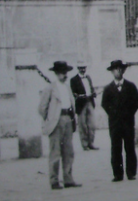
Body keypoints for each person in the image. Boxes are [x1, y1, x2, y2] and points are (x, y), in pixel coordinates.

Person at [38, 61, 82, 190]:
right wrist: (50, 119)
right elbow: (42, 108)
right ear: (56, 73)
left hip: (68, 119)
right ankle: (54, 181)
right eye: (63, 73)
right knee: (55, 152)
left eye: (66, 72)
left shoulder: (67, 87)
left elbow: (71, 104)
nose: (65, 75)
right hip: (56, 122)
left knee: (68, 152)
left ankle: (68, 179)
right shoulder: (50, 88)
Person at [101, 60, 138, 182]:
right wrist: (113, 114)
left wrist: (129, 113)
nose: (118, 71)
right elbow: (104, 104)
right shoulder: (108, 88)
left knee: (129, 147)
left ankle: (131, 172)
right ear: (112, 72)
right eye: (115, 69)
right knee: (116, 148)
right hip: (115, 124)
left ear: (123, 70)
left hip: (128, 122)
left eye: (120, 69)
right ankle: (117, 174)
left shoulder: (130, 86)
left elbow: (137, 101)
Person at [69, 61, 99, 151]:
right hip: (81, 104)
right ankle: (85, 144)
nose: (83, 69)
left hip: (90, 102)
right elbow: (73, 93)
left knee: (92, 124)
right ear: (78, 69)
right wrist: (80, 96)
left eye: (84, 67)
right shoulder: (73, 79)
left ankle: (91, 143)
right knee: (82, 125)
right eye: (81, 68)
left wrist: (93, 93)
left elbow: (91, 88)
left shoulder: (88, 77)